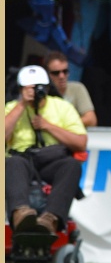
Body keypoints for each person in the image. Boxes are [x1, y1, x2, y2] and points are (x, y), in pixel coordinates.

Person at [5, 65, 88, 236]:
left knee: (71, 165)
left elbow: (81, 143)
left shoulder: (62, 107)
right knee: (13, 163)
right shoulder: (11, 107)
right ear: (20, 89)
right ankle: (20, 214)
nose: (35, 92)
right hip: (22, 161)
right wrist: (22, 105)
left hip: (52, 160)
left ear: (48, 88)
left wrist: (48, 126)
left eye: (39, 87)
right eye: (29, 88)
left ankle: (51, 218)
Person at [42, 51, 97, 127]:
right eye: (56, 73)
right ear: (46, 74)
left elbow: (91, 120)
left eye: (65, 71)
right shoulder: (41, 92)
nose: (62, 76)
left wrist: (60, 127)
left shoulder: (77, 89)